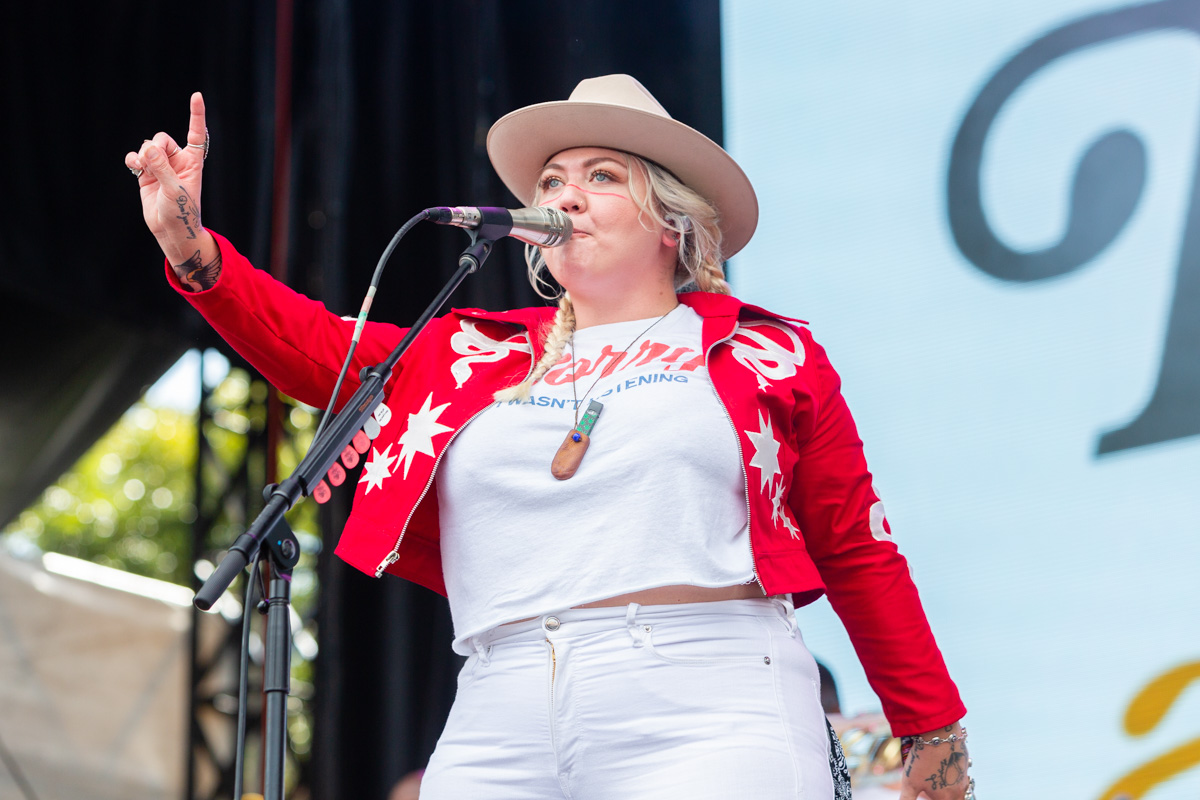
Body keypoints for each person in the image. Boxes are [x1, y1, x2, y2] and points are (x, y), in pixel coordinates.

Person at [126, 75, 973, 799]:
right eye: (553, 178)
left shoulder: (767, 354)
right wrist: (190, 246)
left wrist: (933, 735)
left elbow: (857, 545)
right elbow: (313, 345)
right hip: (503, 694)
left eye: (602, 176)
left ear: (672, 221)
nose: (564, 195)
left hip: (710, 695)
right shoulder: (467, 351)